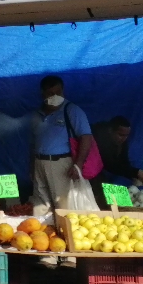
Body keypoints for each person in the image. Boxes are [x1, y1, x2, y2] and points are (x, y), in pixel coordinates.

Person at [29, 75, 97, 215]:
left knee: (63, 207)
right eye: (50, 93)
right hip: (39, 162)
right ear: (42, 94)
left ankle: (65, 234)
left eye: (58, 93)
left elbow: (86, 137)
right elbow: (34, 142)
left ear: (63, 91)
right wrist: (32, 165)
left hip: (61, 164)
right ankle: (44, 233)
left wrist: (78, 164)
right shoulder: (36, 114)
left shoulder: (72, 111)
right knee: (40, 205)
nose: (55, 96)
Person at [90, 116, 143, 208]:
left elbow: (124, 163)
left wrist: (134, 176)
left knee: (122, 204)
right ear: (110, 131)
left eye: (126, 136)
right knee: (102, 201)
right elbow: (109, 163)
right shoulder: (98, 139)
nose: (123, 138)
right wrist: (137, 172)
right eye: (120, 135)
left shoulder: (122, 143)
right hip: (91, 175)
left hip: (107, 177)